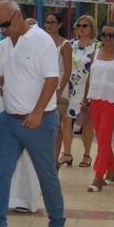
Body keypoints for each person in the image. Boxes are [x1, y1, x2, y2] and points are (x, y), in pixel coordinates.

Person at [0, 0, 66, 227]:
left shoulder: (41, 40)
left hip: (39, 121)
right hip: (10, 122)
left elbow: (51, 80)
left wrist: (37, 113)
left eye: (5, 24)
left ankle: (57, 225)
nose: (2, 30)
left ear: (18, 16)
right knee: (1, 174)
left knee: (47, 175)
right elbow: (10, 75)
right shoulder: (4, 46)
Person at [81, 25, 114, 192]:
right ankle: (112, 168)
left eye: (111, 34)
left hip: (112, 101)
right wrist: (85, 98)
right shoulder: (94, 55)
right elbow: (89, 78)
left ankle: (98, 176)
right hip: (95, 99)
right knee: (101, 138)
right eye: (105, 34)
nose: (108, 37)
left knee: (104, 137)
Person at [65, 14, 98, 168]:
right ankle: (67, 153)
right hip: (72, 87)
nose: (81, 29)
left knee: (87, 123)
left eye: (85, 26)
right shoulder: (71, 44)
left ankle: (86, 155)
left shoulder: (97, 46)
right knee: (66, 120)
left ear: (92, 28)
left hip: (88, 87)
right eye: (78, 26)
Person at [43, 13, 73, 169]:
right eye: (47, 22)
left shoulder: (65, 44)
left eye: (53, 22)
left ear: (60, 25)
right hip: (43, 87)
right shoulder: (42, 42)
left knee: (56, 124)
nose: (49, 25)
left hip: (59, 88)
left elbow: (68, 69)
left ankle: (54, 159)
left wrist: (60, 89)